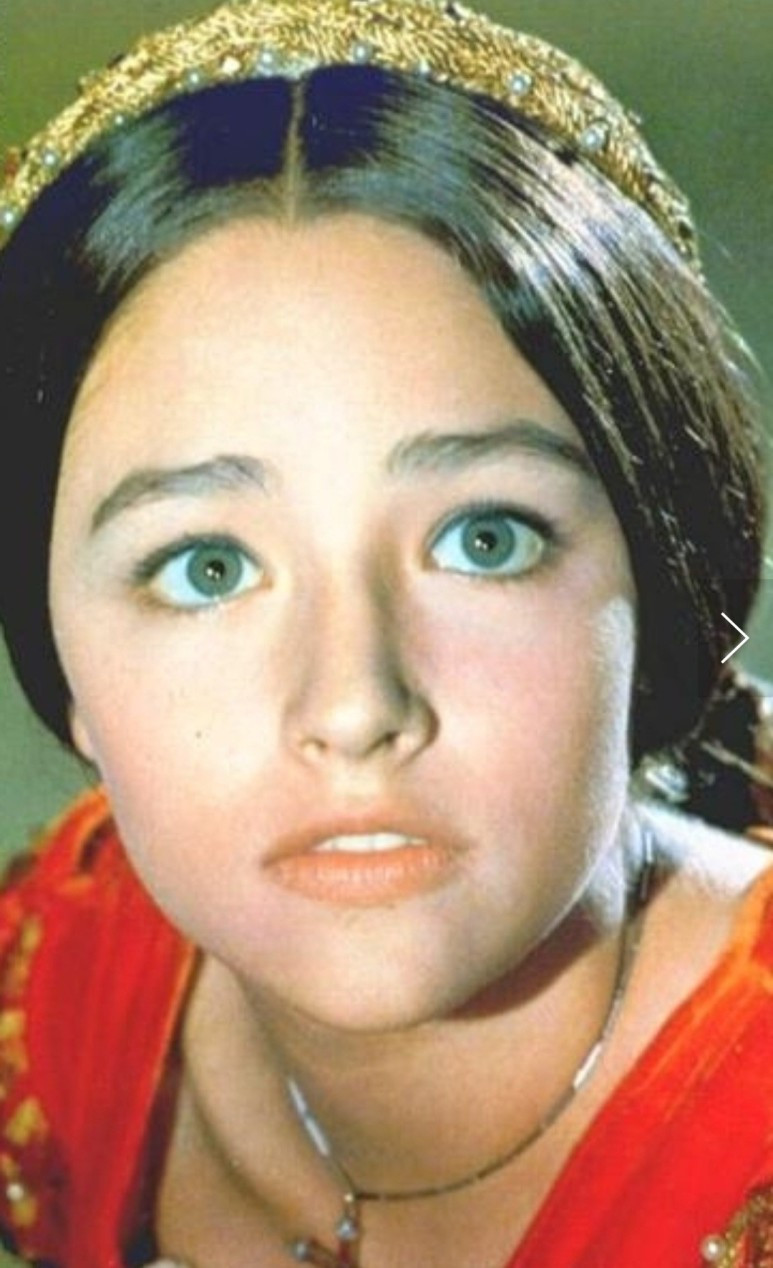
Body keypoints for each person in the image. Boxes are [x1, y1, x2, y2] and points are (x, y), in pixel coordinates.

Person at [0, 1, 771, 1265]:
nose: (354, 704)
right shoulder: (65, 967)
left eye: (483, 539)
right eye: (206, 566)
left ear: (660, 584)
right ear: (57, 653)